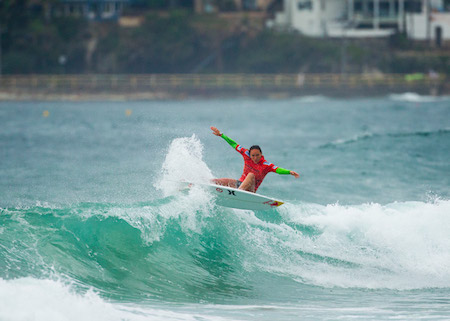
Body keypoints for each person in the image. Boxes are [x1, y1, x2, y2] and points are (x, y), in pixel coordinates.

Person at [210, 126, 300, 193]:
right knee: (216, 182)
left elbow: (278, 170)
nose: (255, 158)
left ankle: (237, 193)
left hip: (250, 190)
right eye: (253, 155)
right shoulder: (246, 154)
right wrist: (221, 135)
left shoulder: (266, 165)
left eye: (258, 155)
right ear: (250, 154)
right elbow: (234, 144)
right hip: (239, 184)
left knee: (251, 175)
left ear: (261, 154)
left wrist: (289, 172)